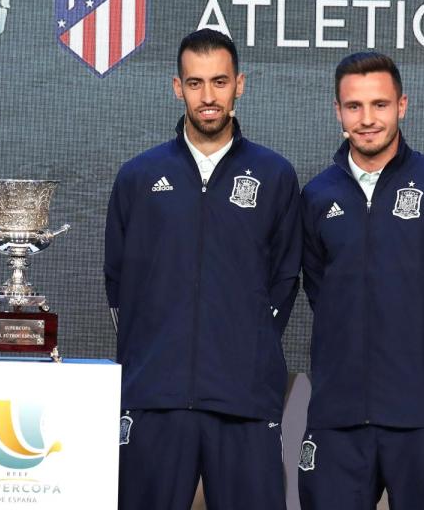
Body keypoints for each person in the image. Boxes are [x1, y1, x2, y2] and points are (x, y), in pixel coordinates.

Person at [105, 29, 301, 509]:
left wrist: (245, 346)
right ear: (177, 87)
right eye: (195, 83)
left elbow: (285, 278)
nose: (208, 96)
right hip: (155, 397)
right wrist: (153, 349)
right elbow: (118, 285)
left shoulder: (274, 176)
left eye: (219, 81)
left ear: (240, 84)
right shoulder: (139, 176)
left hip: (243, 401)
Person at [298, 52, 424, 509]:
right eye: (354, 106)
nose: (367, 119)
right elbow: (322, 293)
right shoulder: (315, 197)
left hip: (422, 420)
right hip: (337, 420)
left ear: (402, 106)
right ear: (338, 111)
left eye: (380, 105)